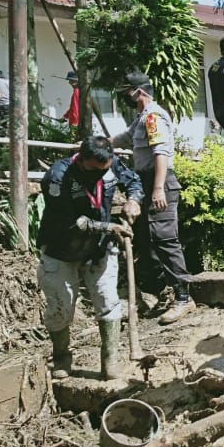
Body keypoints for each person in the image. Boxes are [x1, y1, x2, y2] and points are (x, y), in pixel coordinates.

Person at [37, 136, 143, 380]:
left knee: (108, 302)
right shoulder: (57, 177)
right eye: (94, 171)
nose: (99, 175)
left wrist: (133, 200)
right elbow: (67, 223)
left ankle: (110, 361)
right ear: (82, 160)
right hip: (61, 249)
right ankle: (61, 357)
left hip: (98, 249)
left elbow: (134, 182)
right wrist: (109, 228)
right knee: (60, 308)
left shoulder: (110, 163)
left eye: (103, 171)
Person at [111, 72, 195, 325]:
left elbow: (161, 154)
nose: (124, 97)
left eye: (127, 92)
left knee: (164, 238)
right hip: (144, 183)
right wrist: (99, 143)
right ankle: (164, 293)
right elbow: (124, 138)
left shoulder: (153, 117)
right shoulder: (140, 119)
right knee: (148, 240)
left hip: (159, 182)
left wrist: (158, 188)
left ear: (139, 92)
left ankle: (183, 298)